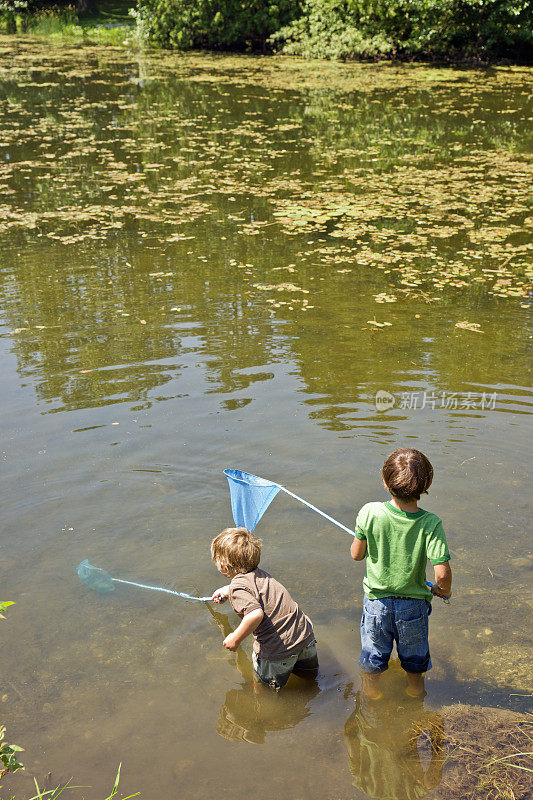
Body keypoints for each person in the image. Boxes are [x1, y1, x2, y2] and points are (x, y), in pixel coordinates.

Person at [350, 448, 452, 699]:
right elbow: (442, 573)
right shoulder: (431, 523)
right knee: (414, 654)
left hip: (377, 603)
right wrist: (442, 590)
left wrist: (364, 537)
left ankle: (372, 693)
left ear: (385, 482)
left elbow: (356, 554)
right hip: (413, 607)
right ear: (426, 484)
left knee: (374, 652)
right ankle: (415, 690)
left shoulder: (369, 512)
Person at [210, 526, 318, 689]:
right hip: (304, 636)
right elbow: (254, 589)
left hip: (277, 652)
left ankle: (266, 705)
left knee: (266, 691)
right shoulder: (261, 574)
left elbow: (255, 614)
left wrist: (235, 638)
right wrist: (228, 590)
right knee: (309, 679)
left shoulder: (238, 588)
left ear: (223, 566)